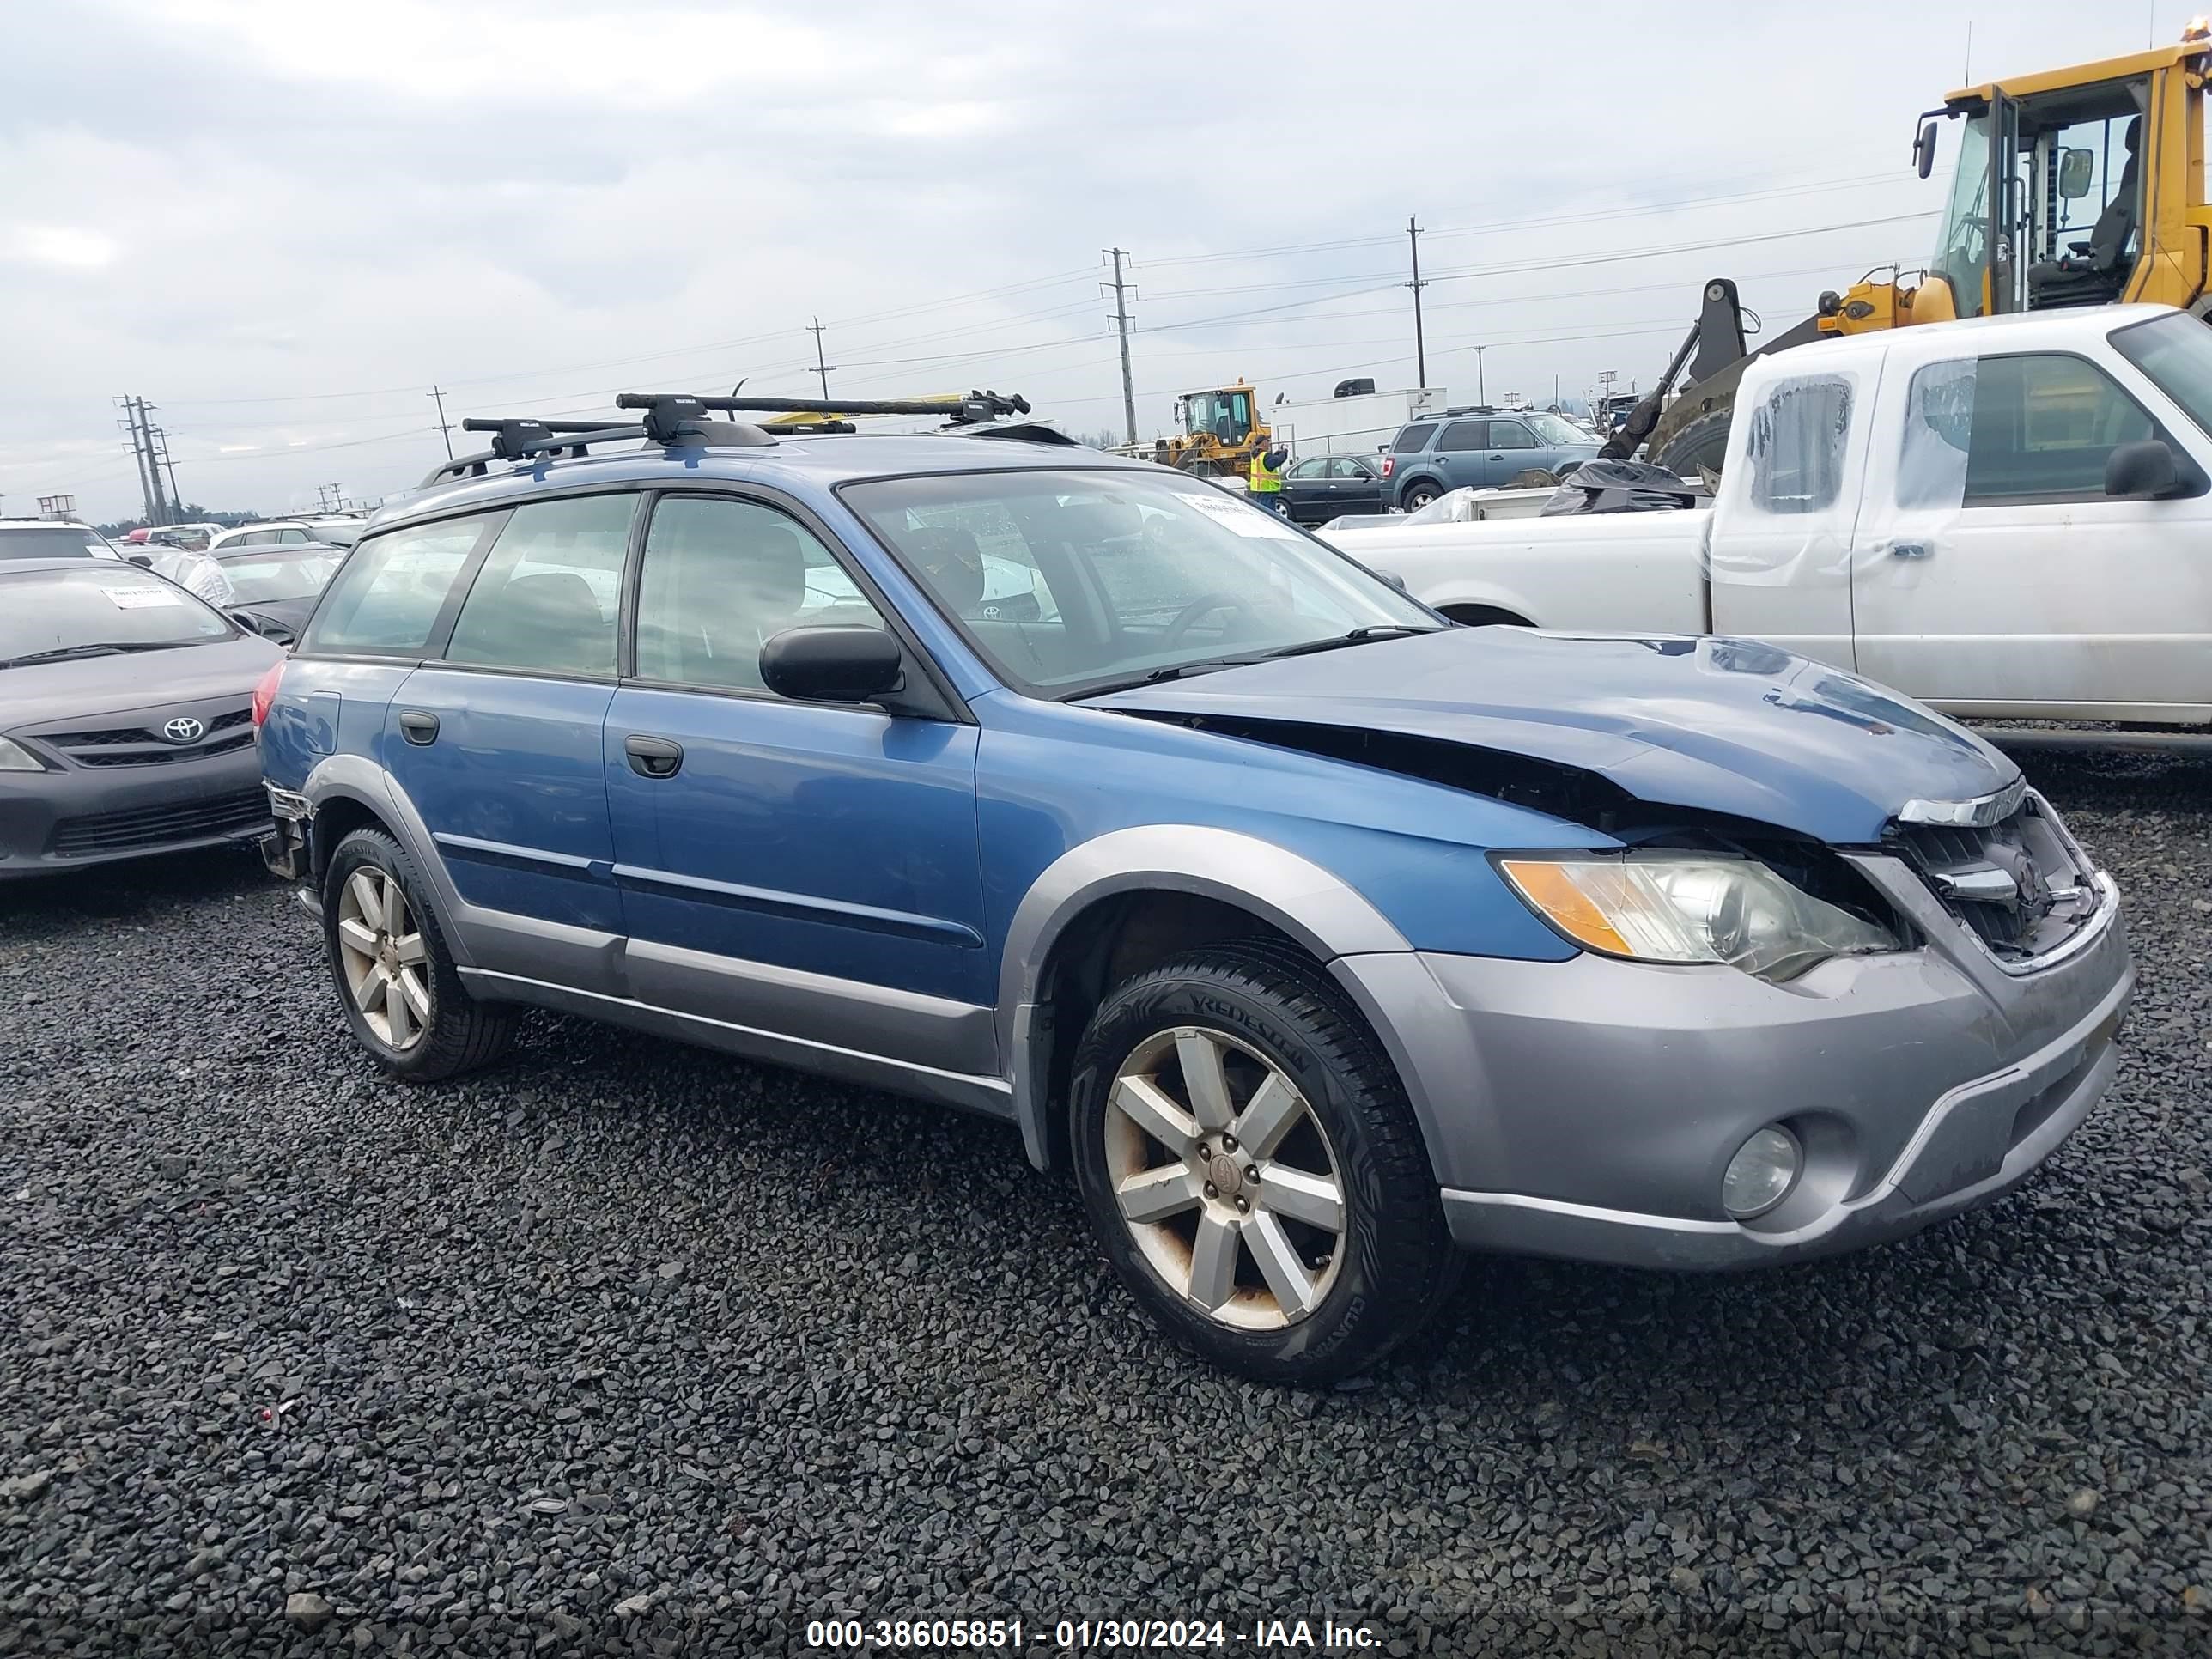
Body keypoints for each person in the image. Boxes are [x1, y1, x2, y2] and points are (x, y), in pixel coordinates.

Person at [1247, 438, 1291, 516]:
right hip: (1267, 491)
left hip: (1258, 491)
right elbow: (1277, 461)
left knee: (1262, 516)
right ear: (1264, 443)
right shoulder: (1265, 456)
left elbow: (1272, 460)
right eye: (1268, 443)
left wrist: (1278, 452)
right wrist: (1285, 452)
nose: (1269, 445)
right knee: (1269, 517)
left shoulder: (1256, 456)